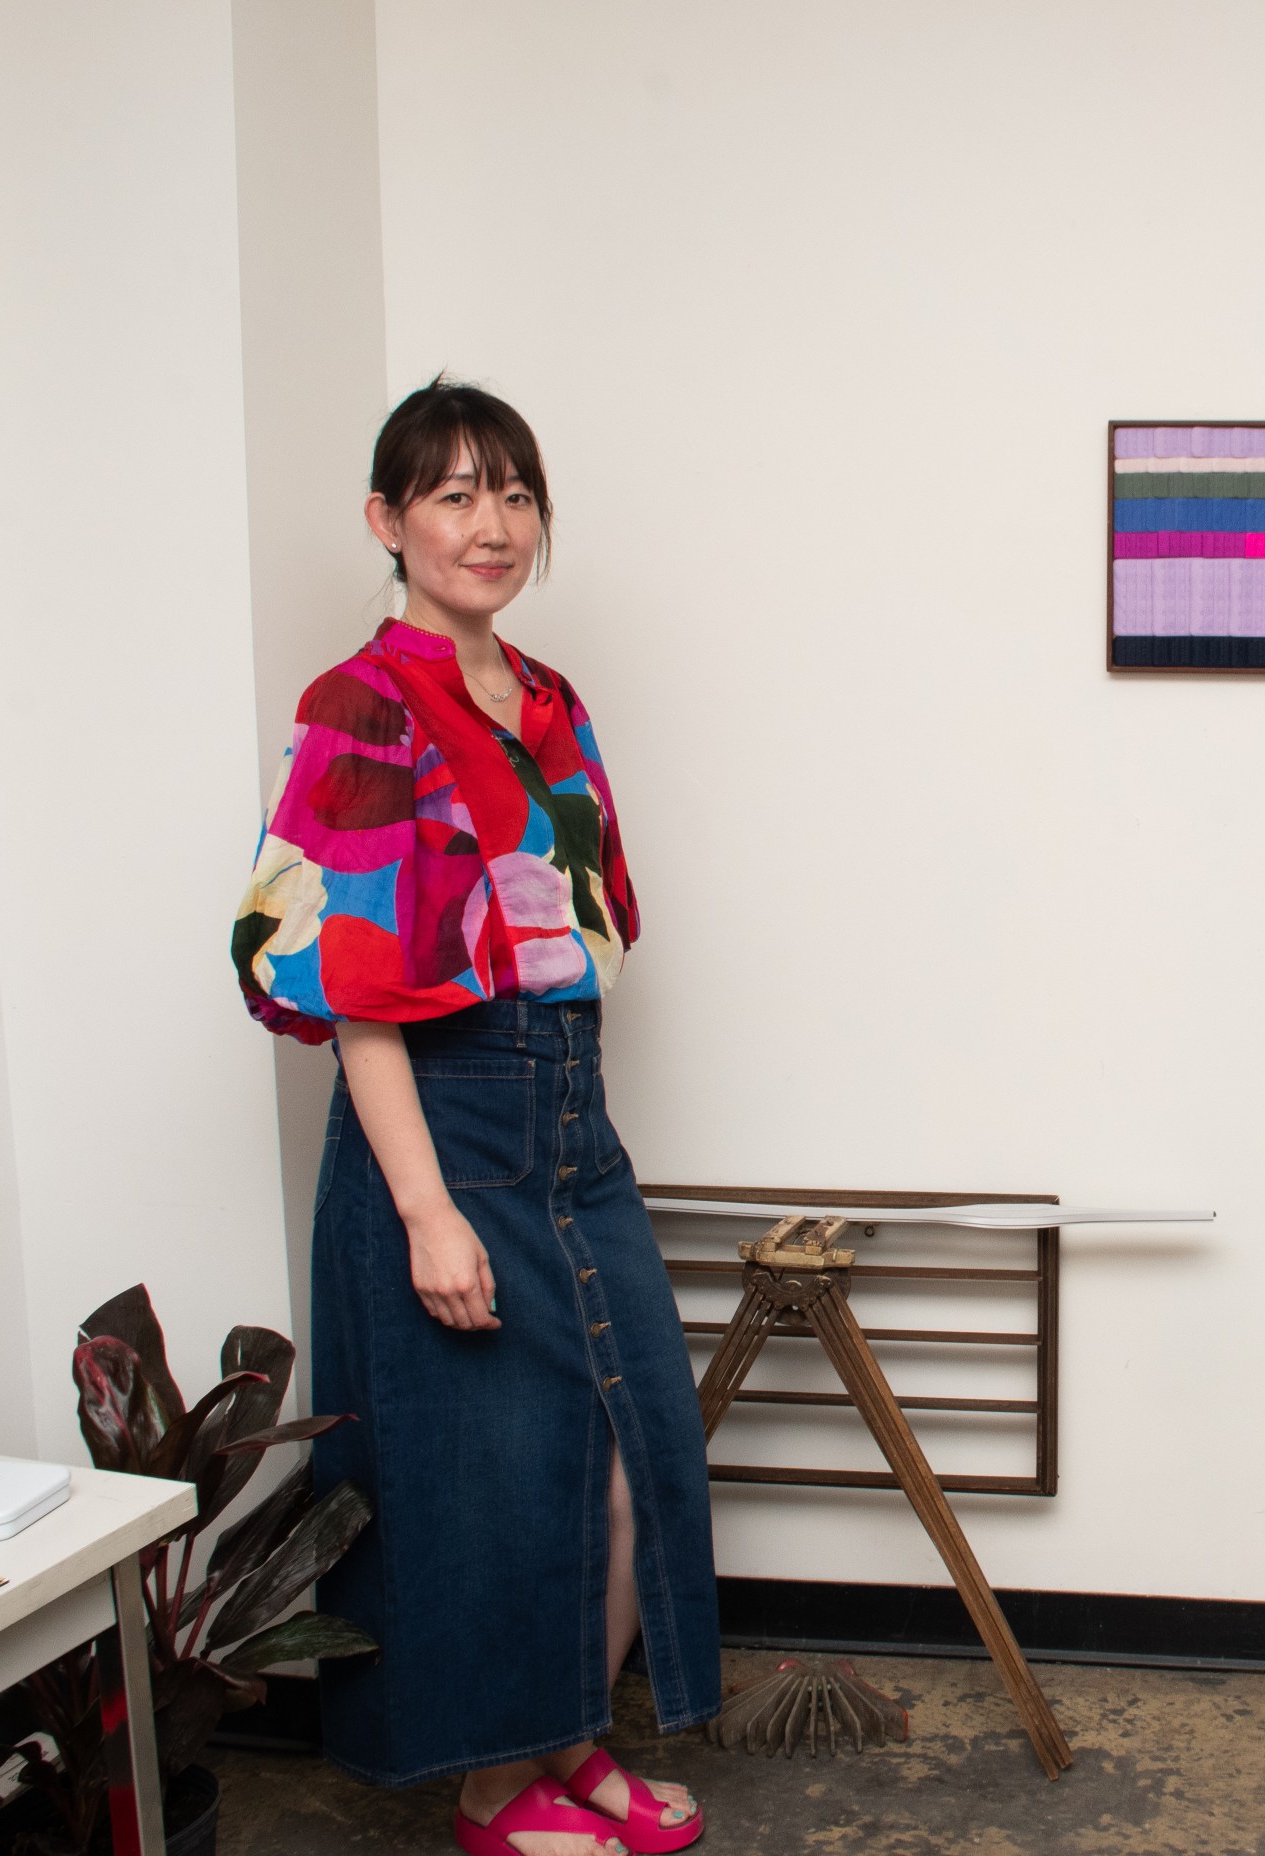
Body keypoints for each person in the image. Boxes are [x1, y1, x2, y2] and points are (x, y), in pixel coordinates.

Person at [233, 377, 715, 1856]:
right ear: (388, 523)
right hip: (439, 1120)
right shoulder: (362, 708)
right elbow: (358, 995)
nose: (488, 525)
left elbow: (575, 925)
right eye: (451, 495)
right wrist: (429, 1209)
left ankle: (567, 1745)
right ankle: (493, 1784)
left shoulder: (551, 701)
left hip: (570, 1112)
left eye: (511, 493)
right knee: (488, 1485)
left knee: (631, 1454)